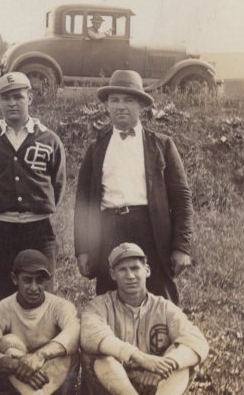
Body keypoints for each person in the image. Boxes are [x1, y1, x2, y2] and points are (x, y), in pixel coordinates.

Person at [74, 70, 193, 302]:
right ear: (107, 106)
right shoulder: (96, 148)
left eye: (128, 100)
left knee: (160, 299)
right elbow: (83, 203)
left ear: (141, 106)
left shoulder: (162, 145)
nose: (121, 106)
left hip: (150, 229)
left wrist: (182, 247)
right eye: (115, 100)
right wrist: (83, 250)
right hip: (109, 230)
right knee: (110, 299)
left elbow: (182, 199)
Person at [80, 242, 209, 395]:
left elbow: (197, 341)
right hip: (112, 390)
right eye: (122, 270)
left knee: (185, 359)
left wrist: (168, 364)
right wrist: (141, 359)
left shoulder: (164, 307)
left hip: (156, 388)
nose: (130, 276)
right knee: (99, 357)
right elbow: (90, 334)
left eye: (135, 268)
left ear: (147, 270)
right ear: (113, 275)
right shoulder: (100, 305)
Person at [0, 72, 66, 302]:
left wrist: (37, 207)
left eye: (18, 97)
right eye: (5, 98)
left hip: (38, 228)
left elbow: (57, 183)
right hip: (0, 228)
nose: (12, 103)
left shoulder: (48, 139)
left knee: (42, 293)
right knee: (4, 293)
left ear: (30, 98)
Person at [0, 250, 78, 395]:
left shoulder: (61, 306)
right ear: (14, 279)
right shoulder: (1, 309)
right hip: (16, 378)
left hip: (53, 379)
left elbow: (73, 334)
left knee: (66, 352)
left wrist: (39, 356)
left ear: (47, 280)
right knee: (9, 343)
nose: (34, 287)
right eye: (27, 280)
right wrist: (15, 364)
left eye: (39, 280)